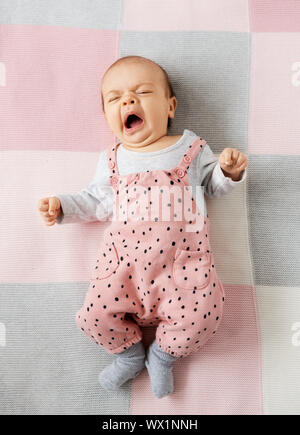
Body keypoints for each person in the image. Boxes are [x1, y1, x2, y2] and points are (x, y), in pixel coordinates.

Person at [38, 55, 248, 399]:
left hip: (183, 269)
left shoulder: (191, 149)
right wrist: (63, 207)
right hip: (122, 269)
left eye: (142, 92)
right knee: (93, 315)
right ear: (108, 116)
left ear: (170, 106)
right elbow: (95, 201)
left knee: (205, 314)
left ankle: (163, 356)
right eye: (115, 97)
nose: (128, 101)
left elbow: (212, 185)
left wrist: (228, 172)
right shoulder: (113, 159)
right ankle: (129, 354)